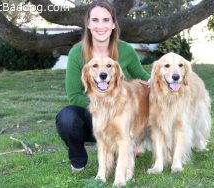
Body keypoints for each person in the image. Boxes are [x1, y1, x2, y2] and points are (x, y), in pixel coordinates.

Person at [55, 0, 150, 172]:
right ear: (88, 24)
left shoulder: (126, 49)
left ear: (113, 24)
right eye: (95, 20)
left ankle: (124, 145)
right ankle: (78, 158)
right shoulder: (77, 52)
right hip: (93, 114)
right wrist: (102, 108)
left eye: (106, 20)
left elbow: (144, 78)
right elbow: (74, 95)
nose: (101, 25)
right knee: (66, 117)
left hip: (119, 113)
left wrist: (168, 81)